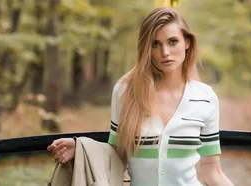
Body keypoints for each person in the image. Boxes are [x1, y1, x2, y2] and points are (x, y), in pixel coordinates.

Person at [47, 7, 234, 186]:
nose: (165, 52)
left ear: (187, 42)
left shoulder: (205, 98)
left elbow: (213, 173)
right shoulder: (125, 92)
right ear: (146, 49)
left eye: (172, 41)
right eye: (155, 44)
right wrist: (80, 148)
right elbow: (117, 158)